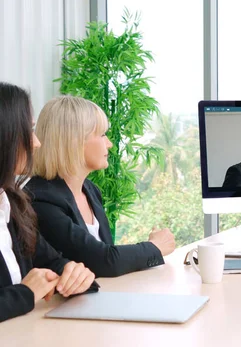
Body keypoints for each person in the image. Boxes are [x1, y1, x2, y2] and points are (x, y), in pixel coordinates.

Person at [25, 96, 176, 278]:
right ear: (74, 141)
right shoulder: (40, 199)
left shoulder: (90, 190)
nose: (109, 144)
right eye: (102, 135)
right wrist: (155, 247)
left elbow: (107, 254)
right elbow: (103, 260)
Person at [0, 83, 97, 322]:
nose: (36, 143)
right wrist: (26, 293)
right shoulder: (40, 196)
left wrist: (73, 274)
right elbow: (27, 292)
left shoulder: (12, 203)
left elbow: (51, 261)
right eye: (29, 131)